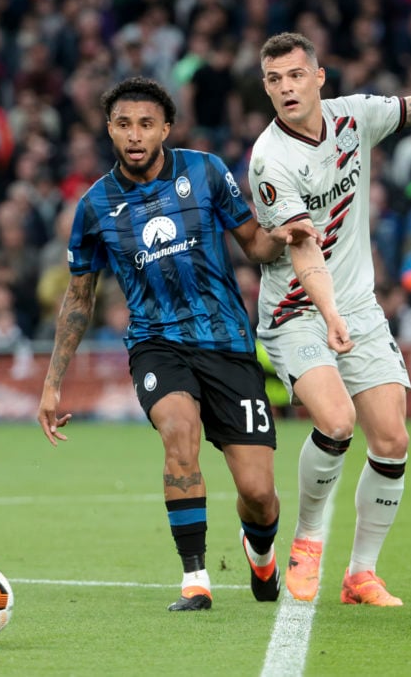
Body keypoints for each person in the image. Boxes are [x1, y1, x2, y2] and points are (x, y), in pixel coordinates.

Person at [36, 77, 323, 612]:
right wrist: (52, 385)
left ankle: (259, 555)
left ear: (166, 128)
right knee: (178, 431)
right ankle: (195, 579)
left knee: (259, 494)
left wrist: (287, 230)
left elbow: (255, 245)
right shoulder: (95, 206)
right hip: (156, 344)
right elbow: (79, 299)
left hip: (228, 343)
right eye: (124, 125)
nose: (135, 135)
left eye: (146, 124)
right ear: (110, 130)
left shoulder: (206, 172)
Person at [247, 32, 411, 608]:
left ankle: (360, 574)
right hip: (297, 311)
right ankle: (308, 541)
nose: (286, 87)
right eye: (273, 80)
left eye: (295, 75)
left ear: (319, 77)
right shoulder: (270, 159)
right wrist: (331, 313)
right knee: (337, 421)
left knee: (391, 439)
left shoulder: (356, 116)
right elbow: (303, 249)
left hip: (358, 305)